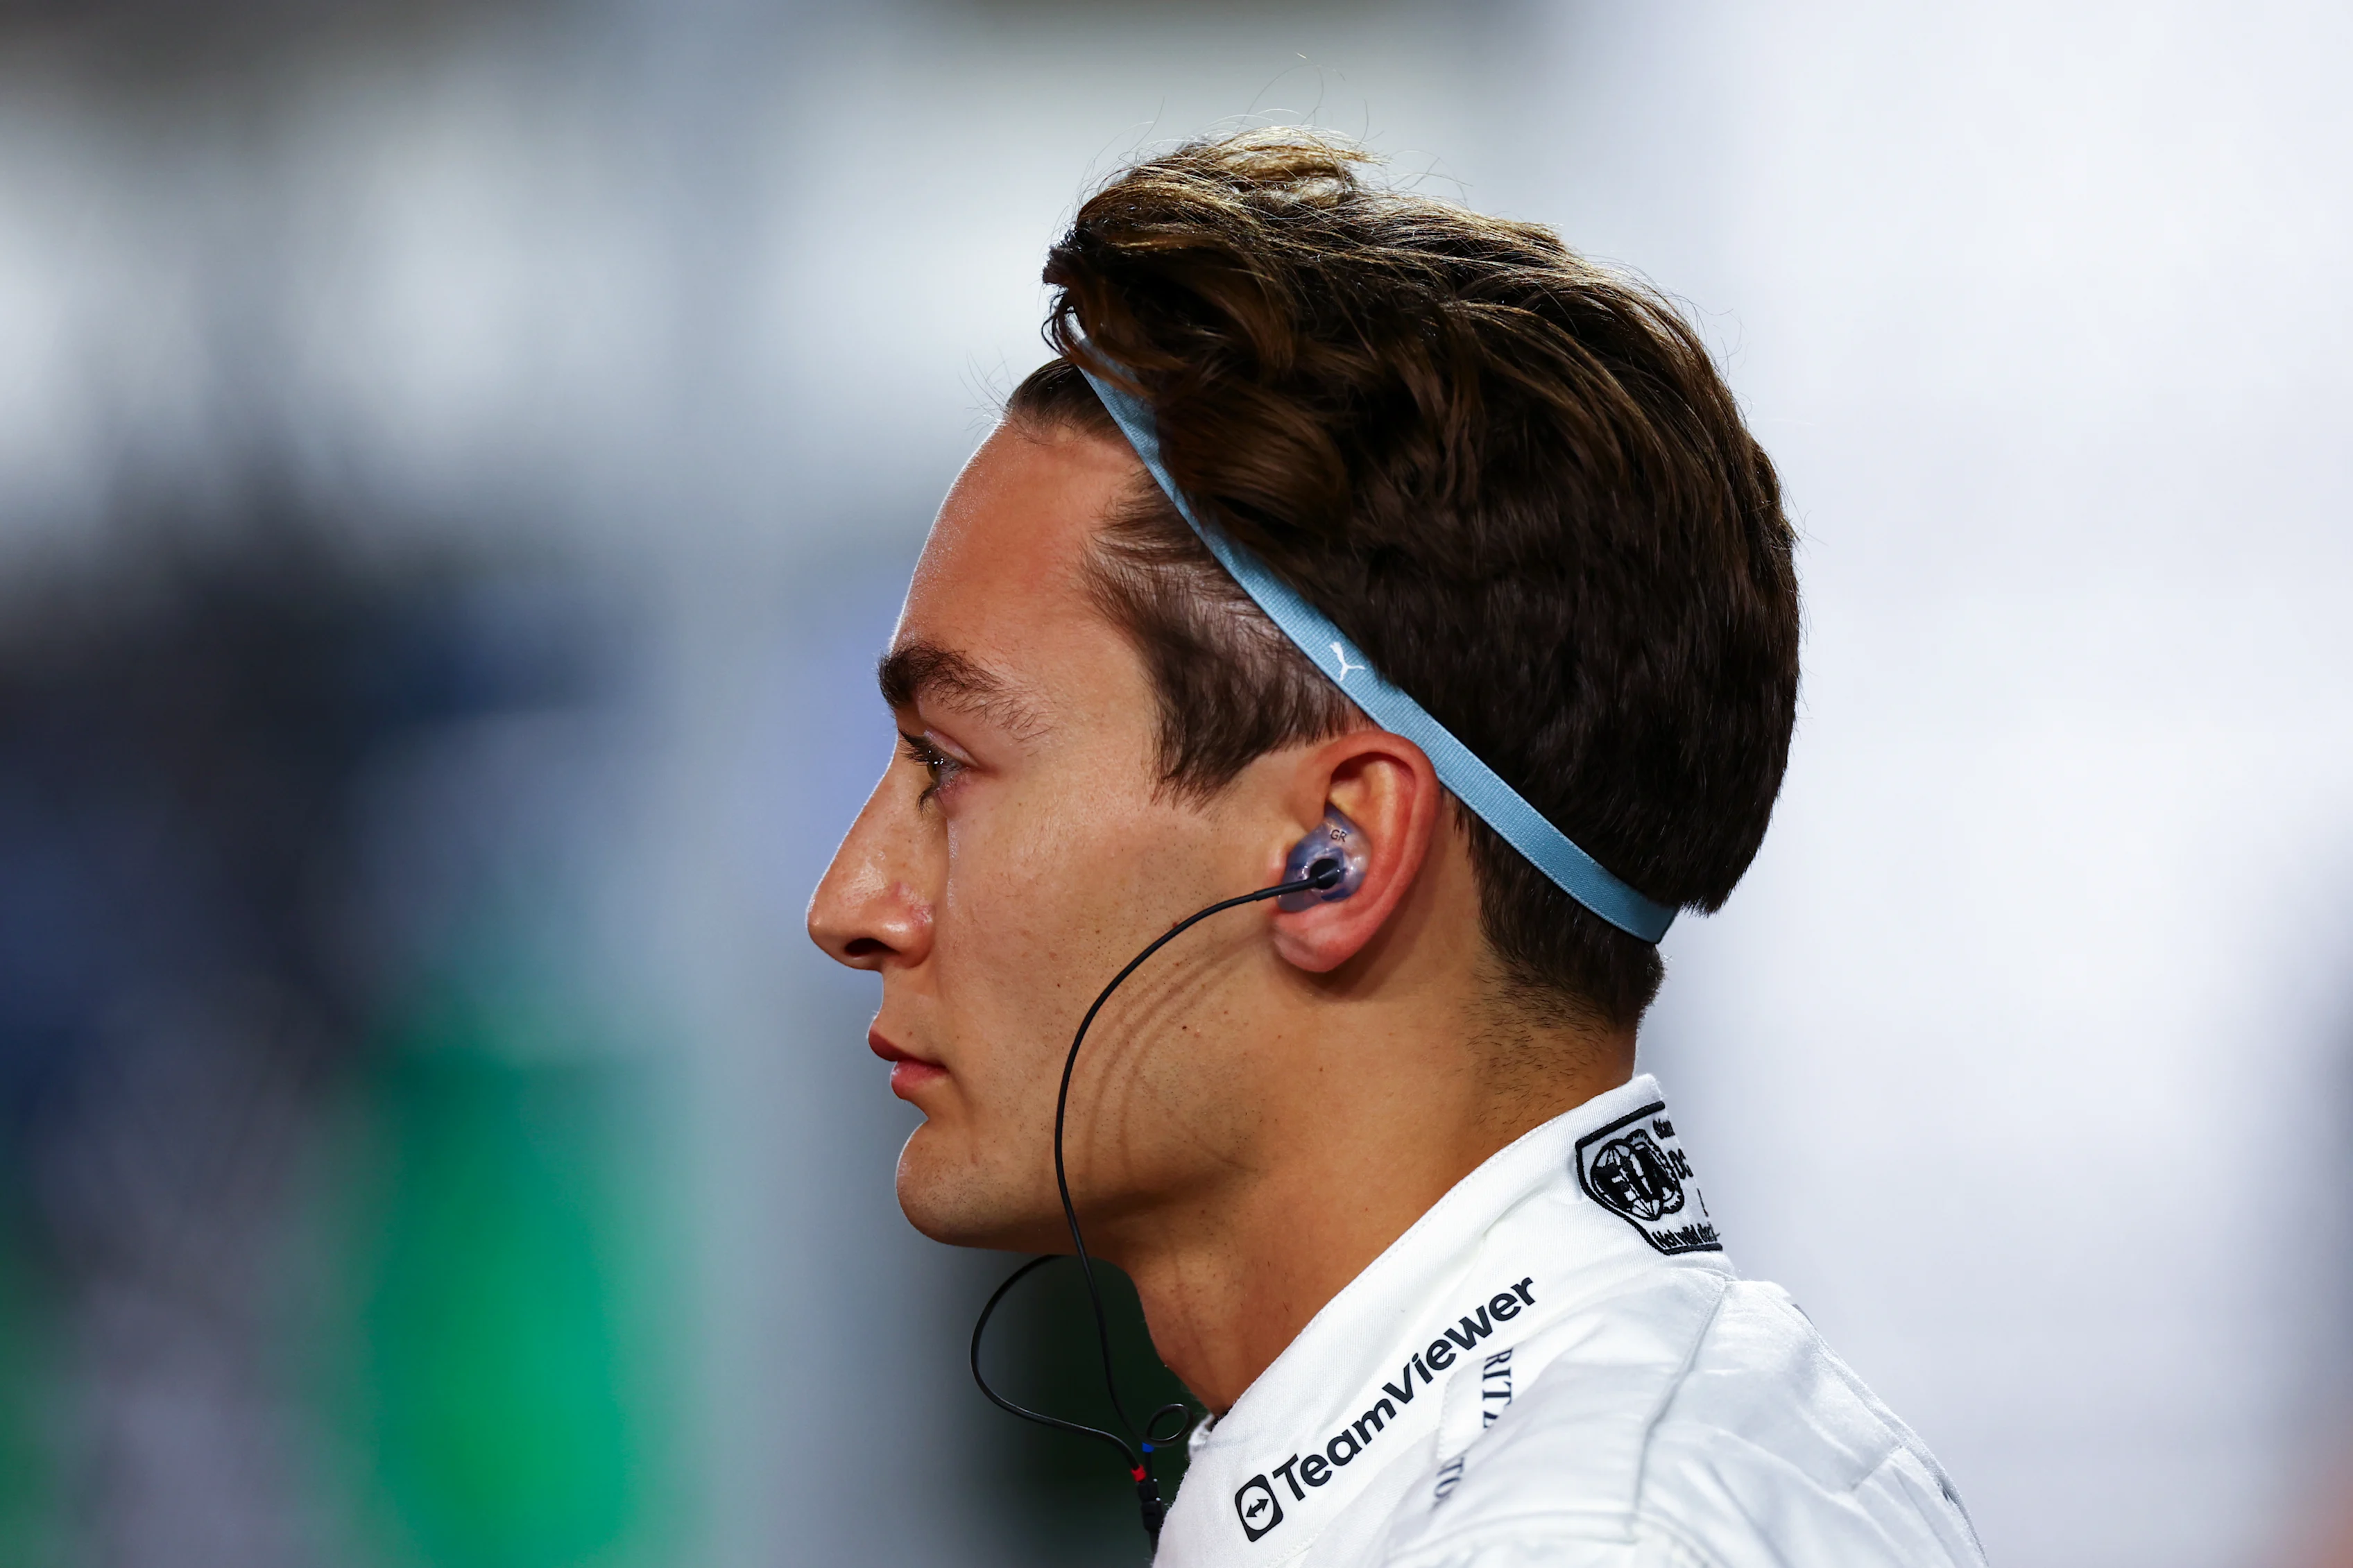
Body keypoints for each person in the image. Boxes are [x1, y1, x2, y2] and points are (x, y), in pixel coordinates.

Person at [808, 129, 1984, 1567]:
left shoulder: (1571, 1538)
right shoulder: (1625, 1455)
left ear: (1338, 851)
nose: (850, 903)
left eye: (946, 763)